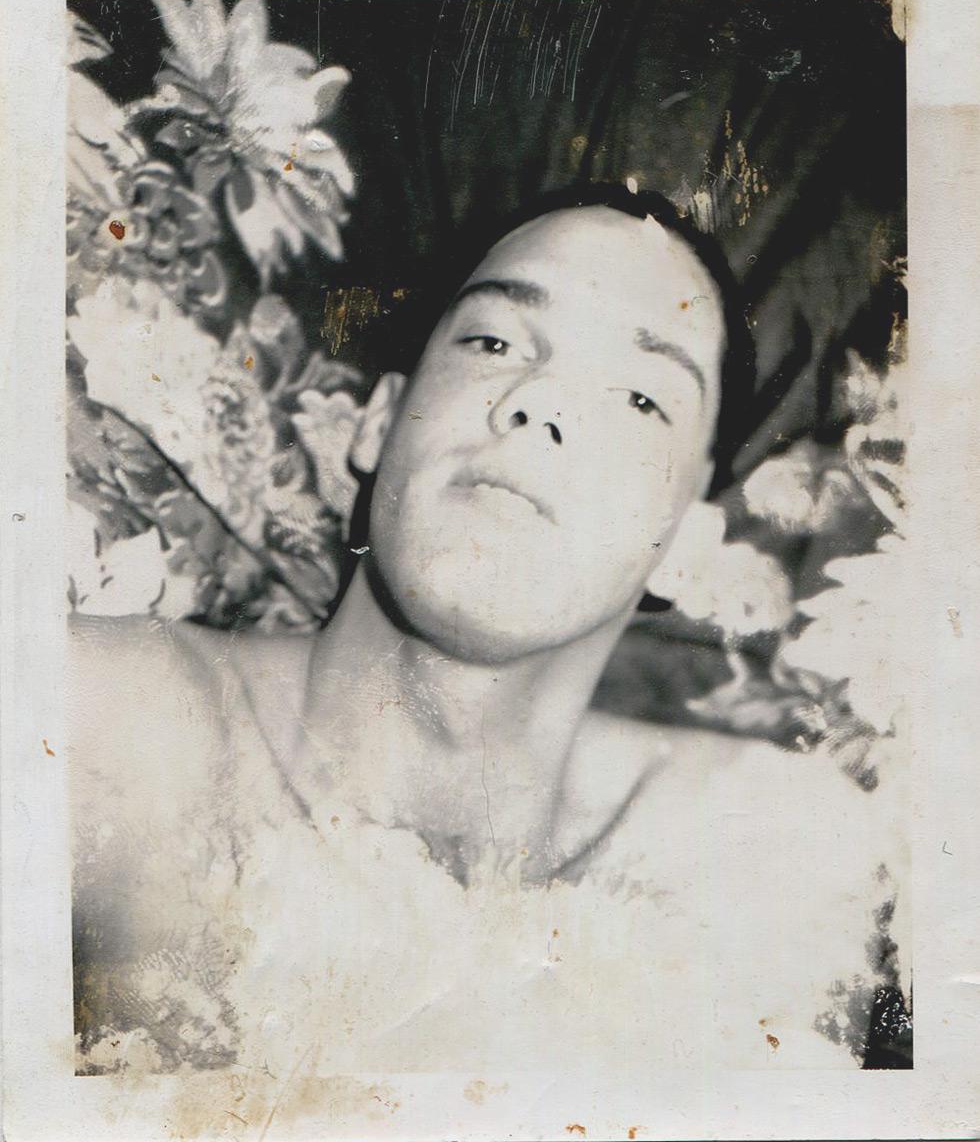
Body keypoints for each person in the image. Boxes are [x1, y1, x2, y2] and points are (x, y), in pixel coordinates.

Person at [69, 186, 907, 1091]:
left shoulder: (775, 846)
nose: (539, 400)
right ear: (381, 423)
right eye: (494, 342)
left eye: (639, 397)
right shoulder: (94, 712)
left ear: (687, 543)